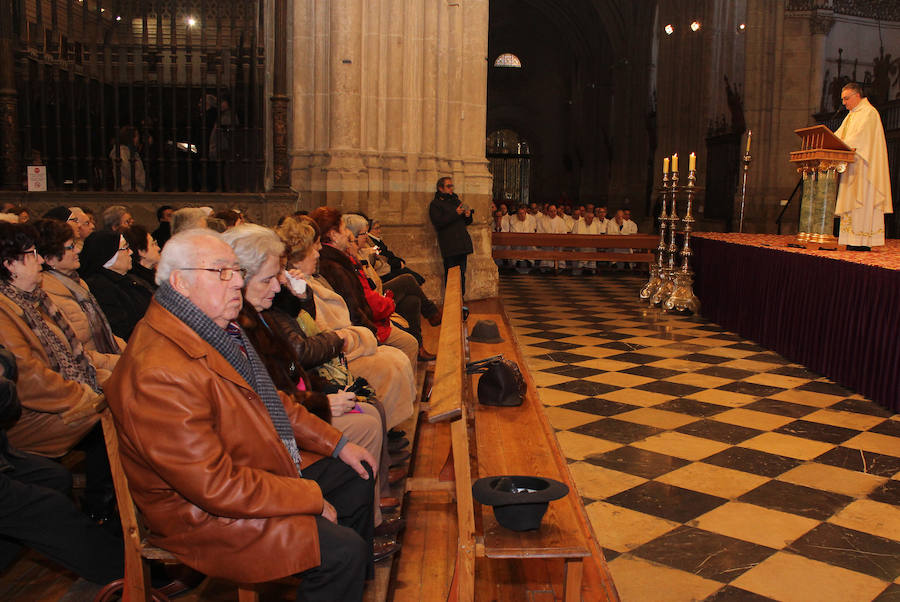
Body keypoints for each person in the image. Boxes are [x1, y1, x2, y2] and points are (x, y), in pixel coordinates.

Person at [104, 228, 377, 600]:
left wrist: (337, 442)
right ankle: (337, 570)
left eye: (237, 271)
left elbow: (271, 401)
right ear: (181, 283)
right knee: (341, 552)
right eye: (221, 272)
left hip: (246, 466)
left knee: (355, 472)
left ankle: (343, 585)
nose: (236, 283)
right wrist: (308, 496)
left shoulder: (212, 328)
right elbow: (214, 485)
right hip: (200, 516)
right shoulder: (159, 370)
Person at [222, 224, 402, 551]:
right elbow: (266, 397)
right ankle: (358, 532)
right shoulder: (237, 323)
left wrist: (321, 394)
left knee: (368, 408)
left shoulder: (257, 313)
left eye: (277, 277)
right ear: (241, 277)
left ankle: (366, 521)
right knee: (364, 424)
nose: (277, 287)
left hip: (296, 404)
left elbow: (289, 365)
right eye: (268, 279)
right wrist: (321, 402)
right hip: (272, 438)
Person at [0, 222, 113, 522]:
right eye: (32, 254)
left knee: (124, 397)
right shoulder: (5, 311)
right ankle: (103, 513)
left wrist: (118, 370)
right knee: (114, 417)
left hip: (59, 399)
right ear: (9, 264)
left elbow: (77, 357)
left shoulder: (31, 301)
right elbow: (28, 380)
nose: (39, 260)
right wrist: (88, 395)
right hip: (30, 418)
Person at [0, 344, 126, 586]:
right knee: (46, 508)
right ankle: (128, 572)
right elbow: (30, 382)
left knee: (54, 478)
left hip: (6, 445)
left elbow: (8, 365)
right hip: (40, 414)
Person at [276, 216, 416, 432]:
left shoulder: (312, 279)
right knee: (390, 365)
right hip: (330, 359)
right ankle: (386, 429)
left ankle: (389, 427)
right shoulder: (292, 288)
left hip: (343, 343)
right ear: (298, 255)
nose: (318, 252)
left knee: (398, 355)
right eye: (313, 248)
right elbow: (312, 335)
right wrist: (356, 337)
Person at [311, 207, 419, 369]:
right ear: (333, 235)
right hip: (360, 330)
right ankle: (408, 392)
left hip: (367, 321)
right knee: (409, 343)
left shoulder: (339, 259)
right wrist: (374, 327)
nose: (348, 233)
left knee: (412, 300)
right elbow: (357, 305)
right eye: (343, 228)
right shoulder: (335, 266)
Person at [344, 214, 440, 362]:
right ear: (353, 236)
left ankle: (419, 348)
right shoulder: (354, 255)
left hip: (379, 291)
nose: (366, 237)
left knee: (412, 301)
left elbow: (383, 265)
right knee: (407, 280)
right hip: (375, 300)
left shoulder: (364, 250)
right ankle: (432, 313)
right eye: (364, 233)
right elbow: (377, 275)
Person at [33, 219, 124, 361]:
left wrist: (130, 352)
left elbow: (105, 333)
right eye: (70, 247)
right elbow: (74, 352)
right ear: (50, 259)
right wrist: (118, 362)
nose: (77, 251)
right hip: (93, 369)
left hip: (107, 359)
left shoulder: (77, 283)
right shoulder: (48, 296)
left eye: (74, 245)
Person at [834, 82, 893, 249]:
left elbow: (858, 139)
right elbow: (839, 136)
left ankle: (863, 241)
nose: (844, 103)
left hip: (866, 170)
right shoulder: (852, 115)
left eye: (846, 98)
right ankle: (852, 240)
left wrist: (839, 143)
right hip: (853, 167)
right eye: (842, 99)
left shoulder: (869, 113)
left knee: (863, 202)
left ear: (857, 95)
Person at [78, 231, 153, 340]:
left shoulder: (128, 279)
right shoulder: (101, 289)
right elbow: (123, 331)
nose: (131, 252)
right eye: (125, 248)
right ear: (109, 255)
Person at [429, 176, 473, 295]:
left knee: (461, 274)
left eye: (451, 186)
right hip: (450, 245)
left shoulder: (456, 200)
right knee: (451, 274)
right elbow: (438, 222)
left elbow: (467, 222)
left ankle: (460, 300)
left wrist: (468, 215)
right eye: (448, 186)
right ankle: (451, 303)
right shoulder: (435, 204)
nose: (451, 188)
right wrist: (455, 213)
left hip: (462, 244)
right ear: (440, 188)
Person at [366, 218, 425, 285]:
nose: (379, 231)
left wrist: (399, 261)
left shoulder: (377, 240)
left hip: (391, 267)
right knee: (411, 279)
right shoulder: (371, 242)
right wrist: (398, 264)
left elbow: (388, 254)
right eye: (376, 228)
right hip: (385, 273)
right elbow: (383, 258)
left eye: (379, 228)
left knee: (415, 278)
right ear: (369, 231)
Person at [123, 224, 161, 291]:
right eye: (153, 244)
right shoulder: (138, 284)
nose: (158, 248)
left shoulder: (153, 274)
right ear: (142, 252)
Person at [110, 126, 146, 192]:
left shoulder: (131, 152)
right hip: (127, 188)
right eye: (136, 136)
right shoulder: (121, 152)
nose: (138, 139)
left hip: (135, 187)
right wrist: (140, 179)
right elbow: (128, 170)